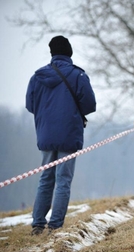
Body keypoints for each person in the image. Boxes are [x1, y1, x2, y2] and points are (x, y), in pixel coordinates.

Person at [26, 36, 96, 235]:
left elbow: (30, 105)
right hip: (69, 133)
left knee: (45, 177)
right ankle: (55, 226)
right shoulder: (78, 76)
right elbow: (90, 105)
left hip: (46, 134)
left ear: (52, 53)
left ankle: (37, 224)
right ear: (69, 52)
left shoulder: (36, 77)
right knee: (63, 179)